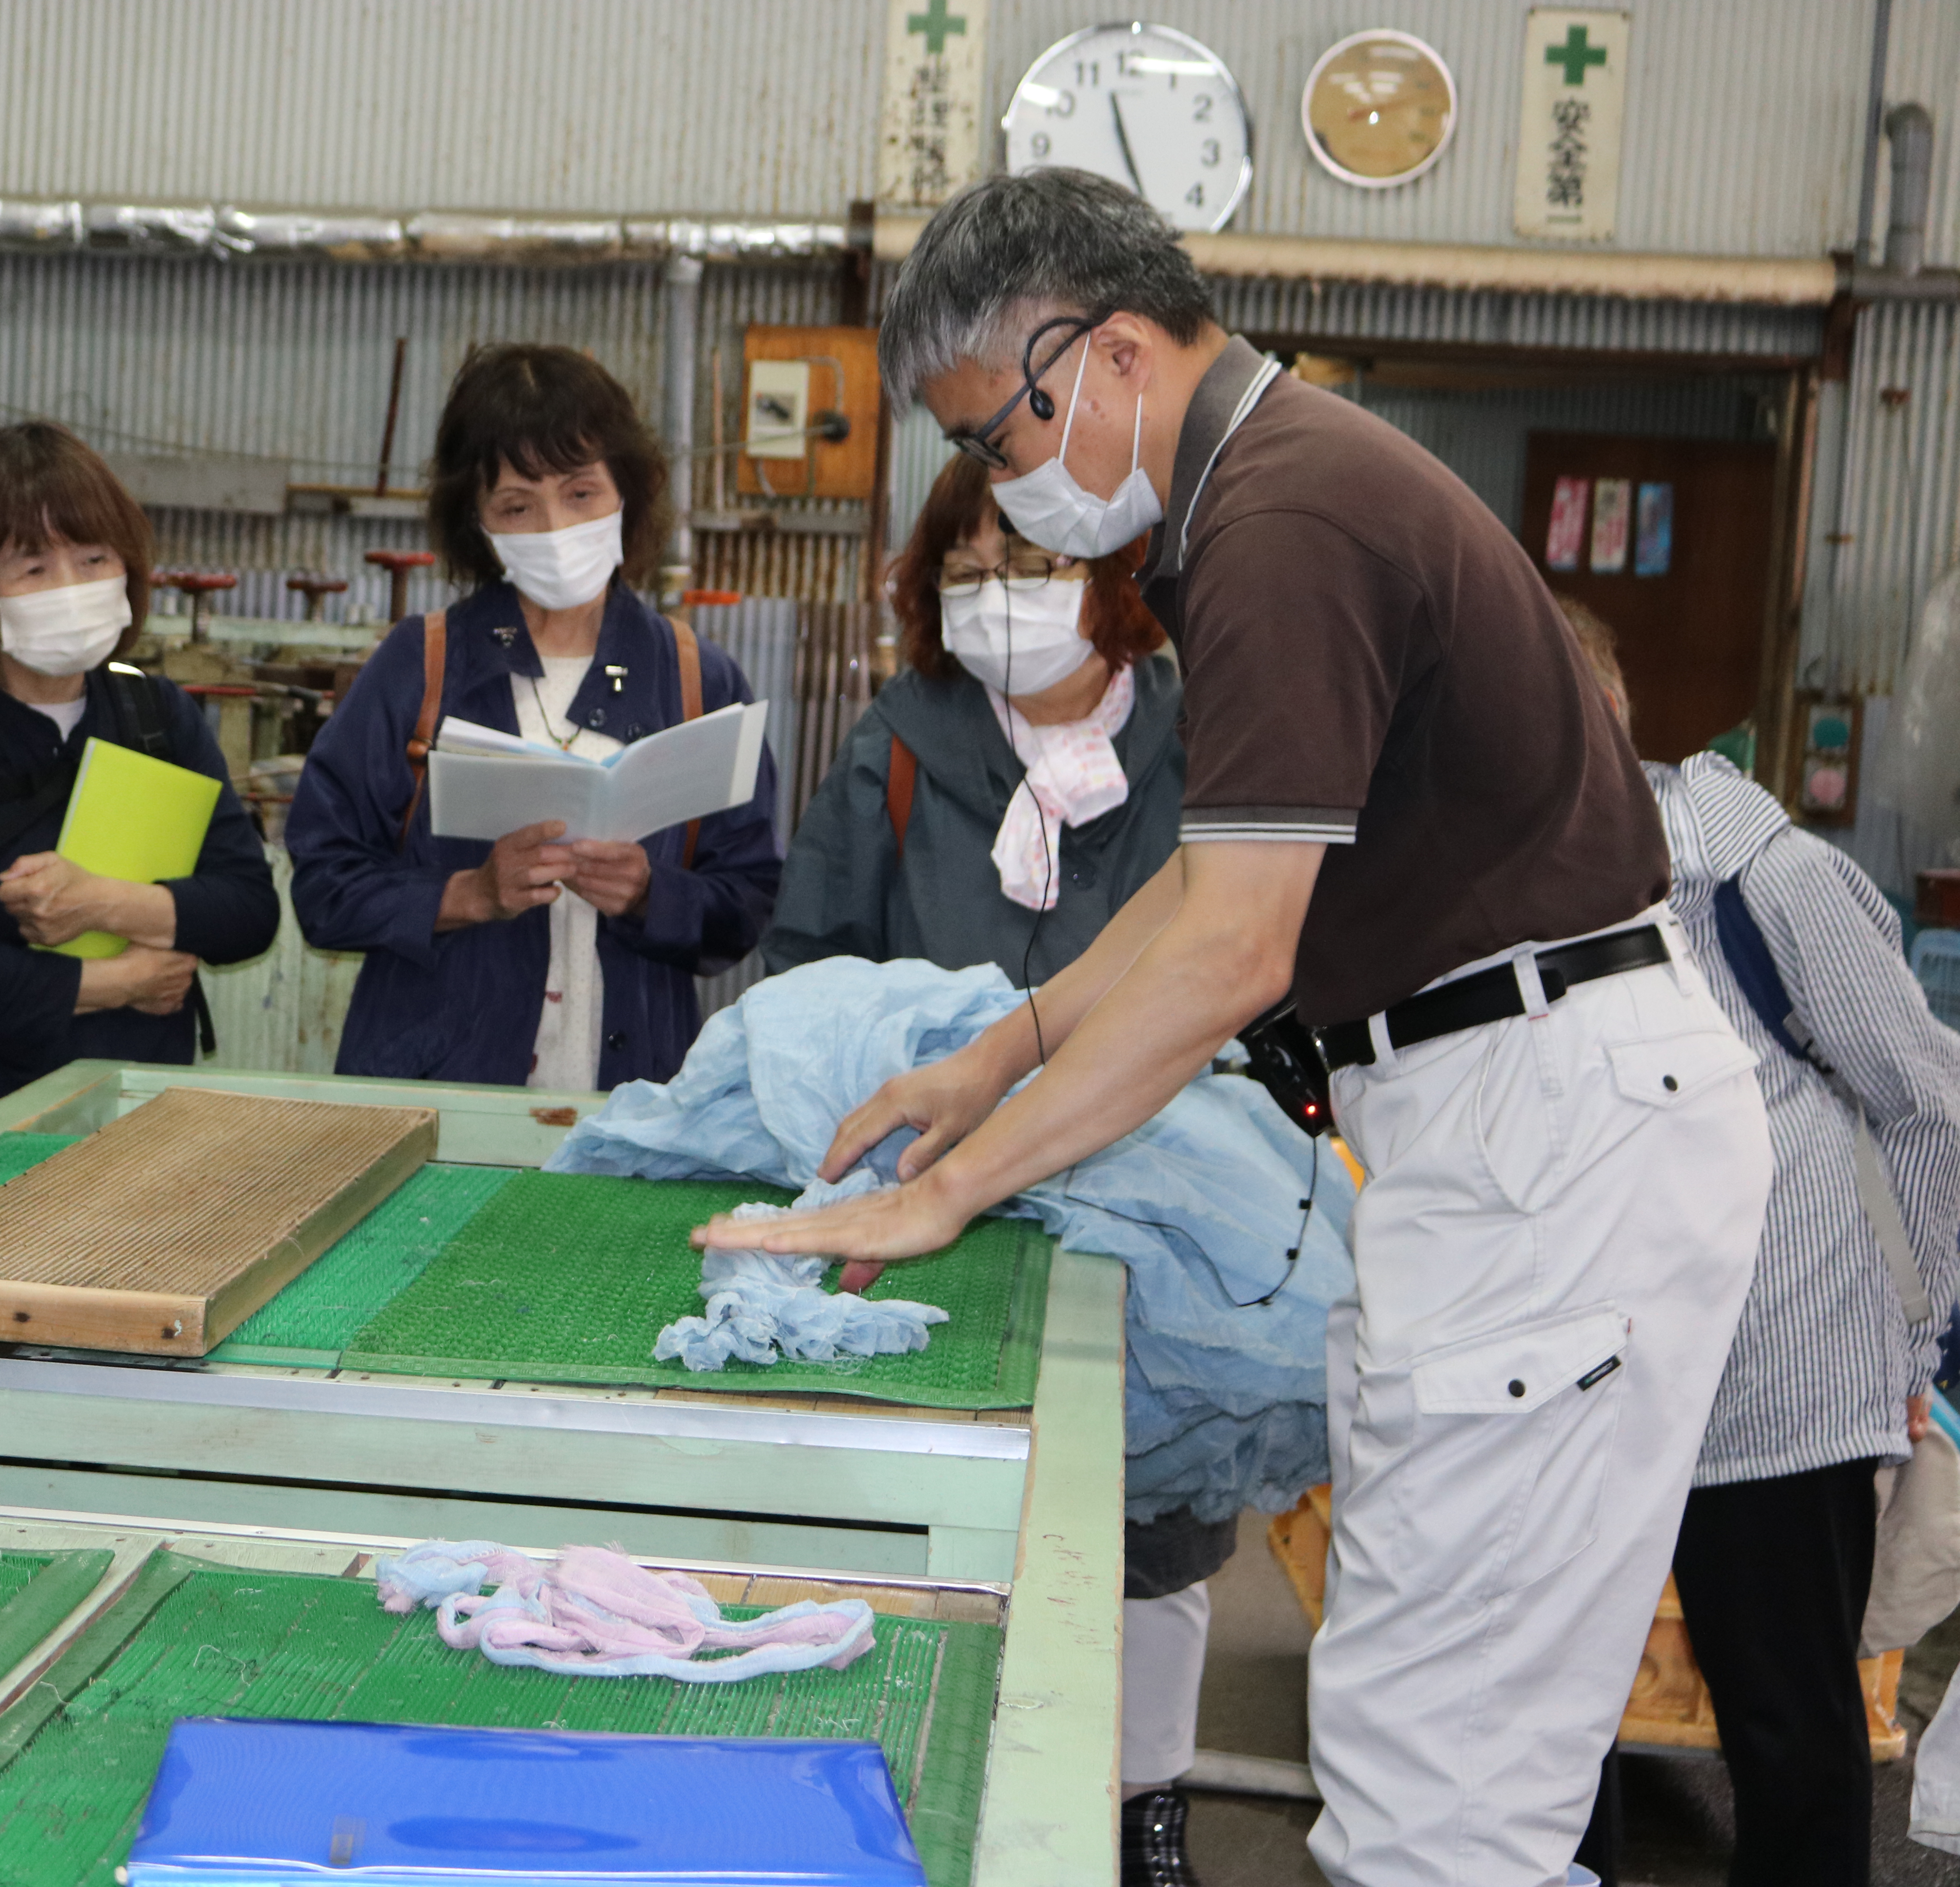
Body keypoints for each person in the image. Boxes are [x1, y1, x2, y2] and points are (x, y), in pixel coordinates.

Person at [702, 169, 1769, 1887]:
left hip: (1543, 1131)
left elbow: (1232, 958)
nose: (1001, 486)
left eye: (995, 436)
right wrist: (1002, 1049)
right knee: (1421, 1755)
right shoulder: (1255, 504)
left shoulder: (1284, 522)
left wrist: (953, 1188)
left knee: (1445, 1801)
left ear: (1107, 353)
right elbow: (1214, 884)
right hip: (1510, 1127)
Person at [764, 454, 1215, 1885]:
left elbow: (1246, 959)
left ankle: (1146, 1808)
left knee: (1155, 1516)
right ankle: (905, 1787)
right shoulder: (901, 742)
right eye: (964, 576)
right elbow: (809, 962)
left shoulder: (1207, 750)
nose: (996, 601)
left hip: (1157, 1182)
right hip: (926, 1194)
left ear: (1115, 580)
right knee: (921, 1498)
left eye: (1029, 567)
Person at [1563, 600, 1960, 1887]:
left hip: (1778, 1376)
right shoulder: (1497, 893)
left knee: (1788, 1735)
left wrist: (1923, 1334)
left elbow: (1923, 1099)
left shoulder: (1763, 878)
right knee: (1552, 1730)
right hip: (1584, 1380)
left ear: (1610, 718)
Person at [288, 344, 782, 1090]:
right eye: (518, 506)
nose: (554, 528)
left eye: (581, 493)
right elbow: (323, 885)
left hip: (630, 1097)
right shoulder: (418, 666)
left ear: (630, 491)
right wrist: (467, 894)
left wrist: (653, 896)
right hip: (438, 1097)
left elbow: (747, 901)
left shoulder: (699, 681)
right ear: (477, 522)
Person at [0, 421, 278, 1157]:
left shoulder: (156, 715)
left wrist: (104, 903)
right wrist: (122, 980)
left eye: (94, 558)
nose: (72, 589)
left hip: (142, 1125)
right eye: (34, 568)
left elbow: (249, 909)